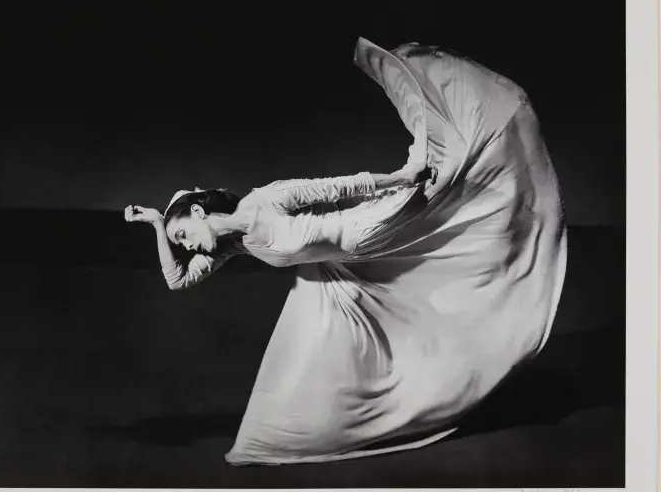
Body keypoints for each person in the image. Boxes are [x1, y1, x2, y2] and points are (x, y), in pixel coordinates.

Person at [124, 37, 567, 465]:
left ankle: (496, 140)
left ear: (199, 211)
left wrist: (400, 177)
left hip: (368, 224)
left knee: (447, 180)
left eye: (182, 234)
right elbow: (176, 279)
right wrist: (159, 226)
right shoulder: (230, 246)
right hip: (351, 259)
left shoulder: (265, 199)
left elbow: (338, 188)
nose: (184, 247)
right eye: (178, 242)